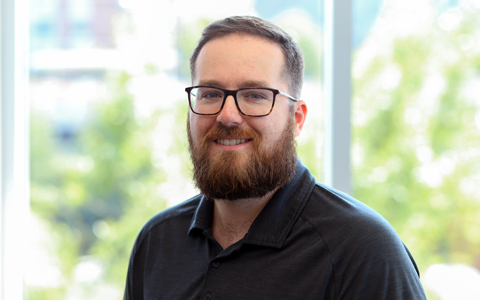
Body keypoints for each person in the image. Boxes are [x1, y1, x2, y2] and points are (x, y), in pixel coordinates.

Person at [124, 16, 427, 300]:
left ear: (297, 118)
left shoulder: (363, 249)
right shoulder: (156, 242)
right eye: (210, 94)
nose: (227, 115)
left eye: (255, 95)